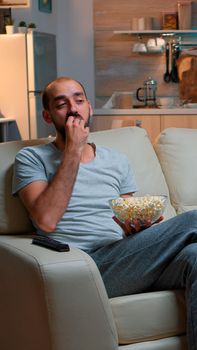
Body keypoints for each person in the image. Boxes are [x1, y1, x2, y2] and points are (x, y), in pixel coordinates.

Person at [12, 76, 197, 350]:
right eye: (62, 104)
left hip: (126, 257)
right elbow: (46, 220)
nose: (73, 109)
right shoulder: (30, 158)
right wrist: (73, 150)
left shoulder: (117, 160)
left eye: (78, 100)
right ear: (48, 116)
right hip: (84, 266)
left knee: (195, 256)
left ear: (89, 107)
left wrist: (139, 227)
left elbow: (124, 220)